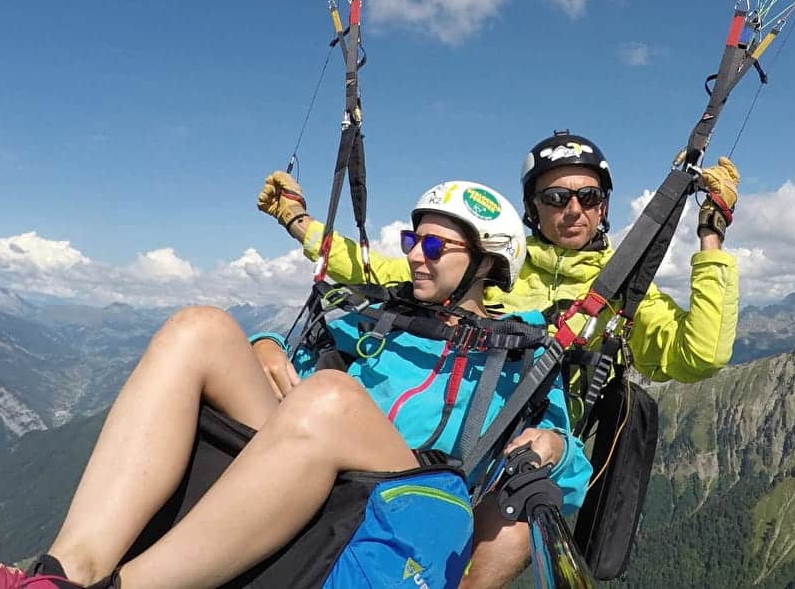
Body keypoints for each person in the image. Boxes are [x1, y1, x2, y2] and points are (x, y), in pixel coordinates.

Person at [0, 180, 589, 589]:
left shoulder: (523, 349)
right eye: (414, 238)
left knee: (331, 400)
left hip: (405, 497)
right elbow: (307, 376)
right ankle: (62, 574)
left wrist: (554, 448)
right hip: (312, 468)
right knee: (202, 328)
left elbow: (570, 463)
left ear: (484, 266)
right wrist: (268, 353)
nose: (416, 252)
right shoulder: (382, 319)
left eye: (437, 246)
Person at [267, 131, 741, 587]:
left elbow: (700, 353)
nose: (574, 209)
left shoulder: (626, 292)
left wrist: (711, 236)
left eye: (589, 197)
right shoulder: (495, 262)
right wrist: (298, 221)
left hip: (524, 452)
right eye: (556, 197)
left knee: (508, 533)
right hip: (445, 424)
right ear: (533, 208)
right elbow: (379, 272)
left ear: (604, 205)